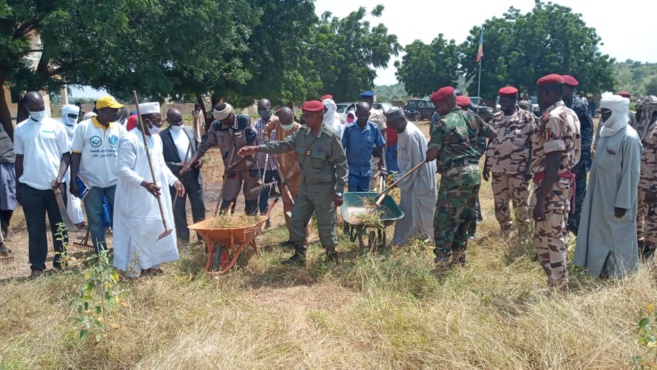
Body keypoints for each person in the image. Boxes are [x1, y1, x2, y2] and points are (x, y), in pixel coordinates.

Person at [237, 100, 348, 266]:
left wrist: (339, 191)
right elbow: (283, 145)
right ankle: (299, 255)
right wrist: (256, 149)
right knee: (296, 219)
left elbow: (341, 164)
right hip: (305, 187)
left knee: (326, 226)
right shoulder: (302, 133)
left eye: (309, 115)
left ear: (319, 115)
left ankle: (332, 256)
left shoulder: (329, 137)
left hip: (324, 190)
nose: (305, 118)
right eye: (304, 115)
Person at [426, 86, 495, 271]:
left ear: (449, 102)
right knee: (464, 217)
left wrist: (430, 154)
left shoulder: (442, 123)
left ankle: (441, 262)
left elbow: (432, 154)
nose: (436, 110)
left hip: (455, 177)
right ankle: (459, 258)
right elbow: (493, 133)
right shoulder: (472, 116)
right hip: (473, 173)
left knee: (444, 219)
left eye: (438, 105)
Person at [113, 102, 184, 278]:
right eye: (157, 120)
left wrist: (174, 180)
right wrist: (144, 183)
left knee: (155, 227)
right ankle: (134, 270)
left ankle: (152, 264)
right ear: (145, 121)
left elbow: (160, 165)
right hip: (136, 196)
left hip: (156, 194)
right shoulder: (129, 139)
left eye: (160, 120)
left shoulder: (156, 138)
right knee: (138, 231)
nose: (160, 124)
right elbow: (122, 169)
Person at [574, 93, 642, 278]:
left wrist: (623, 203)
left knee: (618, 238)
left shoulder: (629, 138)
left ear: (617, 112)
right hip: (599, 196)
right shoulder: (605, 133)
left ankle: (619, 276)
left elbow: (631, 174)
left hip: (617, 201)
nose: (602, 117)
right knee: (599, 234)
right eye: (602, 112)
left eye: (606, 113)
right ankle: (599, 271)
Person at [531, 74, 581, 290]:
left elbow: (553, 159)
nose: (538, 97)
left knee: (551, 239)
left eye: (540, 93)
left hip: (552, 187)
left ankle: (559, 287)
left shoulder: (552, 117)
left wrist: (541, 199)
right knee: (551, 234)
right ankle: (555, 283)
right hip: (560, 184)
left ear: (549, 92)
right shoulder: (570, 113)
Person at [14, 92, 71, 278]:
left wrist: (60, 177)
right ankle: (37, 267)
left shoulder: (56, 126)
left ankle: (61, 262)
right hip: (31, 188)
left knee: (59, 226)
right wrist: (18, 187)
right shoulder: (21, 129)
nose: (40, 111)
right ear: (27, 108)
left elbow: (66, 154)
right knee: (35, 229)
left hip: (55, 188)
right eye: (36, 109)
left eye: (42, 108)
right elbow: (19, 159)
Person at [70, 96, 126, 252]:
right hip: (91, 183)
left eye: (117, 110)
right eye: (112, 110)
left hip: (115, 182)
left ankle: (120, 250)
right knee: (95, 220)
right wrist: (73, 179)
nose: (116, 113)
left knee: (120, 218)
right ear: (101, 111)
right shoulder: (83, 127)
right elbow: (75, 154)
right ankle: (101, 254)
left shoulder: (119, 128)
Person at [181, 102, 258, 214]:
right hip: (231, 170)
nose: (223, 123)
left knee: (251, 200)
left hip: (249, 167)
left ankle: (251, 227)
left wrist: (234, 165)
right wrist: (190, 163)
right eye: (221, 121)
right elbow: (204, 145)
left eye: (225, 120)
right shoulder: (216, 125)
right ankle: (225, 227)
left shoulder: (244, 121)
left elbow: (252, 149)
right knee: (227, 200)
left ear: (231, 114)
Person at [483, 86, 536, 238]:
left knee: (520, 202)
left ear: (514, 100)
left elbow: (533, 144)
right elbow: (491, 142)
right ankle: (505, 230)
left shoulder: (527, 118)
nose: (503, 104)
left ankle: (523, 233)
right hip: (498, 169)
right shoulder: (495, 118)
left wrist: (529, 168)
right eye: (501, 101)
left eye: (506, 101)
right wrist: (487, 164)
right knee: (500, 202)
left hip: (518, 170)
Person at [386, 108, 436, 246]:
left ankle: (425, 241)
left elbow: (414, 164)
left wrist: (397, 180)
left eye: (394, 124)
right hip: (410, 178)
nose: (392, 128)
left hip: (419, 178)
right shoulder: (401, 131)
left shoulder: (410, 134)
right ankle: (406, 240)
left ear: (403, 119)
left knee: (421, 212)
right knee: (408, 210)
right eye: (389, 124)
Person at [263, 107, 312, 244]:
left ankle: (304, 238)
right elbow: (266, 129)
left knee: (301, 205)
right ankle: (292, 237)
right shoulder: (277, 123)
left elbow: (300, 159)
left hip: (298, 175)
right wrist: (268, 143)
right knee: (287, 206)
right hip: (282, 172)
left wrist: (289, 176)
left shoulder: (300, 130)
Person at [160, 108, 205, 243]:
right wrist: (178, 165)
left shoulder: (190, 131)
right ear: (168, 121)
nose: (179, 123)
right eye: (175, 121)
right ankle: (183, 240)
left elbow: (199, 151)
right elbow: (161, 162)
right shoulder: (162, 136)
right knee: (179, 210)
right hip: (177, 178)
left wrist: (200, 161)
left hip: (194, 176)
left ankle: (202, 238)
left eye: (181, 120)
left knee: (199, 208)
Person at [562, 75, 593, 236]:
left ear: (571, 89)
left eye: (564, 87)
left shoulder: (579, 106)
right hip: (560, 162)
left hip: (576, 163)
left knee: (576, 199)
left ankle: (579, 234)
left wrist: (579, 163)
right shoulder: (556, 105)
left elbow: (587, 135)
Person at [341, 102, 386, 192]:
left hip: (366, 171)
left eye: (365, 115)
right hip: (352, 171)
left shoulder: (374, 129)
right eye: (361, 115)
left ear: (369, 115)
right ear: (357, 114)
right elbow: (342, 149)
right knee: (353, 196)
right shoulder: (349, 129)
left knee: (364, 197)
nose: (363, 118)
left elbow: (380, 147)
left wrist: (383, 165)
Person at [253, 98, 281, 223]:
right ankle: (265, 219)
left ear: (270, 108)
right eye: (259, 109)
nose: (261, 111)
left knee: (284, 190)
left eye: (264, 109)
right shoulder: (255, 124)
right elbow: (254, 143)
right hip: (263, 165)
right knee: (263, 195)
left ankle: (291, 217)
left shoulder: (278, 122)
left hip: (278, 164)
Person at [636, 96, 657, 258]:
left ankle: (649, 252)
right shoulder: (643, 129)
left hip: (651, 187)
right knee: (636, 218)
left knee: (652, 221)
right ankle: (638, 245)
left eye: (641, 111)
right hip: (638, 183)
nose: (638, 114)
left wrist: (654, 188)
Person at [58, 104, 85, 228]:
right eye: (71, 115)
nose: (73, 118)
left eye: (75, 116)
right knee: (66, 192)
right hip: (62, 162)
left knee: (75, 190)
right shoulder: (58, 126)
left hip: (76, 162)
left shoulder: (79, 127)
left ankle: (77, 219)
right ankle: (72, 219)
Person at [360, 91, 387, 191]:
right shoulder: (358, 112)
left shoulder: (377, 115)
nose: (365, 102)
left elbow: (383, 137)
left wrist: (383, 159)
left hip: (373, 153)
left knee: (371, 179)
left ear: (371, 101)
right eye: (363, 100)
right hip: (360, 154)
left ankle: (371, 201)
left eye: (367, 100)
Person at [0, 125, 16, 255]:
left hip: (6, 171)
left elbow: (11, 154)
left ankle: (6, 227)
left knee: (8, 200)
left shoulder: (4, 135)